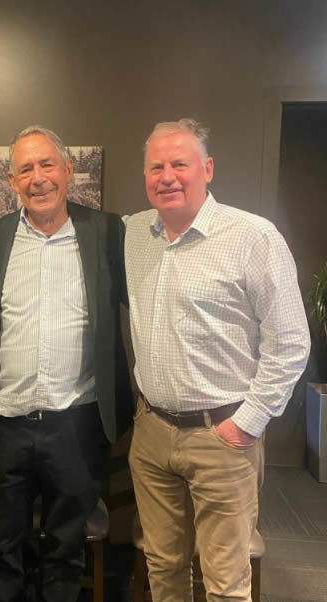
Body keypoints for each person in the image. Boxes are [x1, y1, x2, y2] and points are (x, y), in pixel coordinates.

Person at [124, 118, 310, 601]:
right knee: (162, 567)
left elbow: (290, 340)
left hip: (222, 437)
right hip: (151, 433)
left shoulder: (253, 236)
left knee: (226, 580)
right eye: (156, 166)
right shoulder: (133, 235)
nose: (167, 176)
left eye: (179, 164)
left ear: (207, 168)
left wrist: (248, 421)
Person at [0, 125, 133, 602]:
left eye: (46, 165)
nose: (37, 178)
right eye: (25, 169)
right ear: (12, 181)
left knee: (65, 549)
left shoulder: (106, 232)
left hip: (76, 424)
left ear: (68, 170)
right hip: (5, 425)